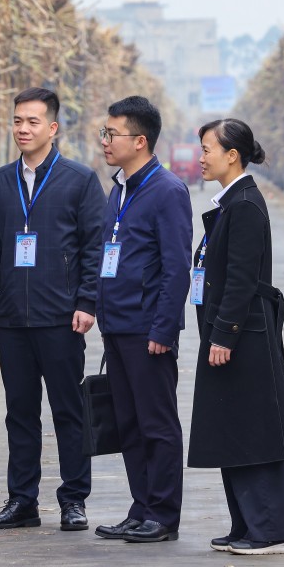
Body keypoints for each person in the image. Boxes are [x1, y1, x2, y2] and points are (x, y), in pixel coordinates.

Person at [0, 87, 105, 532]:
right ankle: (22, 500)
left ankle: (74, 499)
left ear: (52, 128)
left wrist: (87, 301)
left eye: (32, 122)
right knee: (20, 412)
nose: (23, 129)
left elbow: (95, 246)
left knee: (69, 411)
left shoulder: (79, 179)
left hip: (62, 318)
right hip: (13, 319)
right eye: (17, 121)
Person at [188, 118, 284, 555]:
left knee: (254, 432)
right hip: (231, 335)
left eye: (207, 149)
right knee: (231, 431)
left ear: (231, 155)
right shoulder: (231, 201)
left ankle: (271, 530)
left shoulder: (245, 204)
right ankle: (246, 525)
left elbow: (239, 280)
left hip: (244, 337)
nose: (201, 158)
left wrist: (224, 335)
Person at [94, 96, 192, 544]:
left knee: (157, 423)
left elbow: (176, 268)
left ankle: (164, 514)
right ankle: (141, 506)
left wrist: (164, 329)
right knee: (129, 424)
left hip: (147, 330)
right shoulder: (119, 188)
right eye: (105, 133)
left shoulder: (167, 191)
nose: (105, 141)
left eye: (112, 134)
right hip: (117, 326)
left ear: (140, 140)